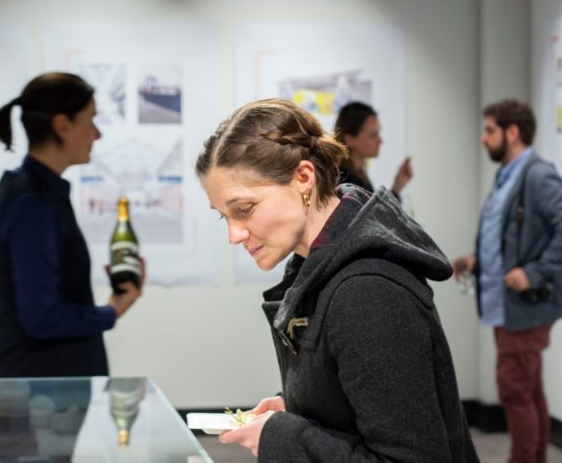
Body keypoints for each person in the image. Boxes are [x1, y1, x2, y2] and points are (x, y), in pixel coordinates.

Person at [196, 98, 478, 462]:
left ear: (303, 178)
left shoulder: (367, 294)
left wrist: (283, 437)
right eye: (224, 217)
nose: (234, 234)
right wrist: (296, 408)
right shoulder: (320, 268)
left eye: (245, 209)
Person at [0, 72, 144, 378]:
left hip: (30, 387)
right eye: (90, 120)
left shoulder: (20, 191)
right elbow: (42, 318)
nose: (97, 134)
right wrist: (111, 311)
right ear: (62, 125)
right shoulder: (35, 204)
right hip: (44, 395)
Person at [452, 99, 562, 463]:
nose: (483, 139)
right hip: (508, 306)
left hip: (526, 305)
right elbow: (511, 241)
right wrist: (476, 262)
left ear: (512, 132)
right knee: (527, 388)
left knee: (514, 390)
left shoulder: (537, 175)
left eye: (490, 130)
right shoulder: (508, 176)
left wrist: (533, 273)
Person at [334, 101, 412, 198]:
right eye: (373, 135)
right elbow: (373, 212)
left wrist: (397, 187)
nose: (380, 141)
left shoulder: (358, 175)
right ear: (349, 139)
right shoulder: (345, 183)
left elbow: (374, 212)